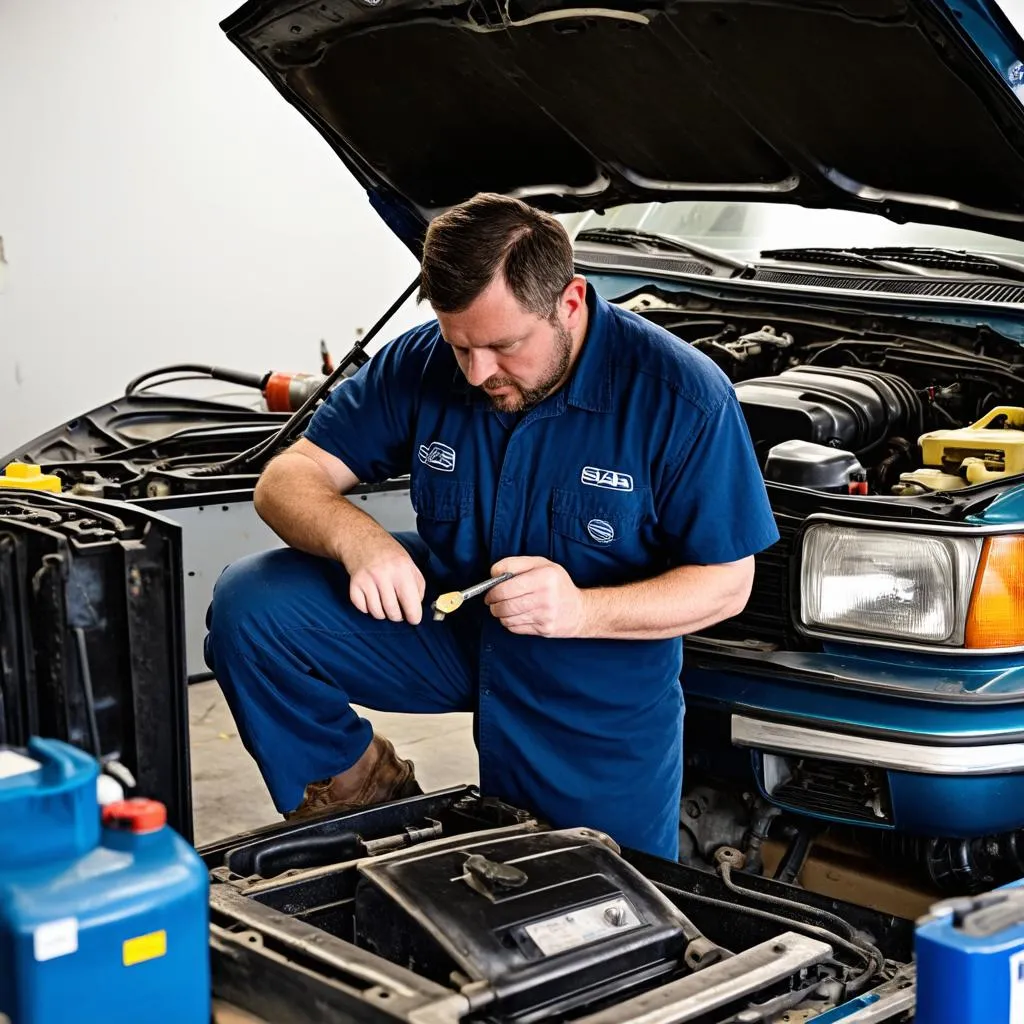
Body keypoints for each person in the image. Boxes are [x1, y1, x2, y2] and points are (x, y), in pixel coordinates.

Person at [204, 192, 779, 860]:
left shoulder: (680, 395)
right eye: (461, 347)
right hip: (453, 616)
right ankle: (365, 798)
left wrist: (580, 610)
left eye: (503, 347)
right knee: (255, 607)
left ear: (569, 302)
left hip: (591, 674)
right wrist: (357, 540)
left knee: (598, 901)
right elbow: (286, 477)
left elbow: (728, 584)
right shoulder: (423, 361)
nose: (478, 374)